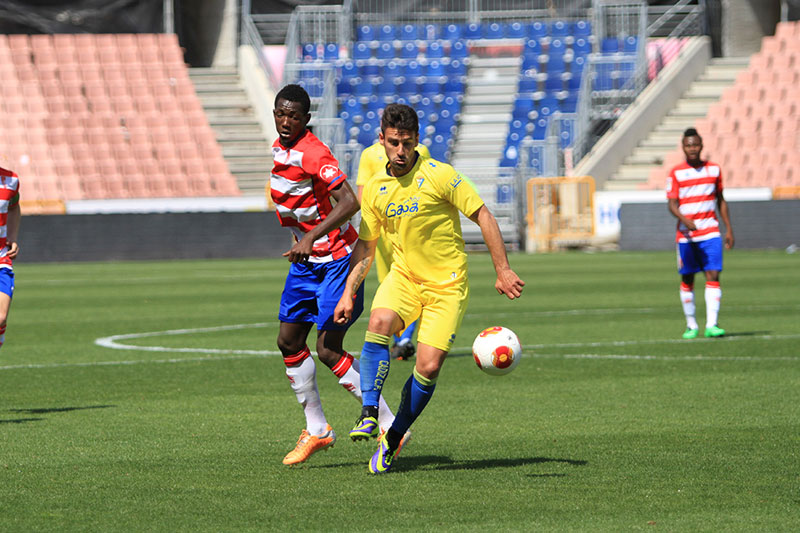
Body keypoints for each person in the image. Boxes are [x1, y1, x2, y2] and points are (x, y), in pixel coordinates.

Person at [334, 104, 525, 474]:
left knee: (429, 365)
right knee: (379, 322)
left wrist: (502, 269)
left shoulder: (440, 175)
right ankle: (369, 413)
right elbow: (366, 245)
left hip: (447, 286)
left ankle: (393, 438)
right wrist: (347, 293)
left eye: (407, 143)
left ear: (418, 140)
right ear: (382, 142)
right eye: (393, 143)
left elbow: (483, 214)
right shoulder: (374, 188)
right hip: (404, 278)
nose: (400, 151)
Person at [269, 84, 395, 466]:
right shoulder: (279, 148)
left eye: (294, 116)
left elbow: (350, 202)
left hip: (338, 261)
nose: (286, 121)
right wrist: (302, 236)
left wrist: (310, 235)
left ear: (306, 119)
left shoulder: (313, 152)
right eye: (281, 113)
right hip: (306, 264)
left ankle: (390, 423)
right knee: (289, 342)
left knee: (327, 348)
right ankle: (318, 429)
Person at [355, 141, 431, 361]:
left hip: (412, 233)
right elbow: (363, 194)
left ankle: (405, 339)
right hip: (383, 235)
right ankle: (401, 339)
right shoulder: (369, 155)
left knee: (416, 283)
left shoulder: (421, 151)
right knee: (391, 284)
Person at [667, 127, 734, 339]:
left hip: (710, 232)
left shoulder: (714, 170)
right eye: (688, 145)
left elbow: (721, 200)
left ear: (701, 146)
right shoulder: (676, 173)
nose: (692, 148)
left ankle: (712, 325)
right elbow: (671, 203)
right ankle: (691, 324)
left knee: (713, 274)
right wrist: (685, 220)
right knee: (687, 278)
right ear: (683, 147)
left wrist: (728, 228)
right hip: (686, 236)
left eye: (695, 144)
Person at [0, 166, 20, 352]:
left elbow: (14, 207)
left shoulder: (11, 180)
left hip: (1, 260)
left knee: (0, 318)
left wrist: (12, 236)